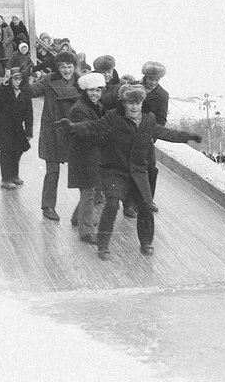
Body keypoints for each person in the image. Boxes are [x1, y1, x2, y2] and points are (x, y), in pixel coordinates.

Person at [57, 84, 201, 260]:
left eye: (137, 103)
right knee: (112, 204)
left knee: (146, 205)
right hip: (115, 170)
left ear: (142, 103)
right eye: (130, 103)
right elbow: (94, 126)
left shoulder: (148, 119)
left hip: (138, 171)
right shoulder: (113, 118)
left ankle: (146, 242)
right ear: (124, 103)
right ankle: (103, 245)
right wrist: (73, 127)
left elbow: (165, 133)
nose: (134, 107)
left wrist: (187, 137)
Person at [24, 51, 80, 220]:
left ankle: (83, 210)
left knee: (81, 171)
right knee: (52, 172)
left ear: (74, 67)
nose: (66, 70)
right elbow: (33, 92)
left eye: (69, 67)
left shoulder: (81, 83)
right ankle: (48, 207)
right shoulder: (49, 80)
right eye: (63, 67)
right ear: (58, 67)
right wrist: (25, 77)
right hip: (52, 132)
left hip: (74, 132)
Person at [67, 72, 107, 244]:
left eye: (98, 90)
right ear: (85, 91)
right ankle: (86, 232)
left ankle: (77, 218)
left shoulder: (96, 106)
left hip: (91, 155)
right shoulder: (79, 109)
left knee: (89, 190)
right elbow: (88, 133)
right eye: (91, 90)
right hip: (83, 156)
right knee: (89, 191)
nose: (95, 94)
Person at [140, 61, 169, 213]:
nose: (153, 82)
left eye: (156, 80)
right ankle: (129, 202)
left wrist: (152, 137)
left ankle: (148, 200)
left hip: (147, 136)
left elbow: (161, 119)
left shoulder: (162, 95)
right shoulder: (134, 87)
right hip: (128, 131)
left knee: (150, 168)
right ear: (145, 76)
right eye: (150, 78)